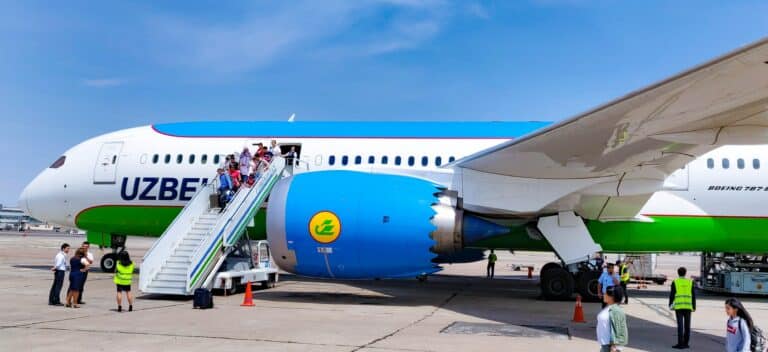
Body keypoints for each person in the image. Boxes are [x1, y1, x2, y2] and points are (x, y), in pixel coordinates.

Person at [670, 266, 696, 349]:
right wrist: (694, 306)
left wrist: (670, 304)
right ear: (685, 273)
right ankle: (686, 343)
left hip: (679, 306)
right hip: (688, 306)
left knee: (680, 326)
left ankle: (680, 344)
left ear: (678, 273)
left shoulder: (675, 282)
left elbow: (672, 295)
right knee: (687, 326)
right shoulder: (690, 282)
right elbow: (693, 295)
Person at [596, 285, 628, 352]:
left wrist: (614, 347)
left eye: (605, 293)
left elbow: (618, 330)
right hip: (605, 344)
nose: (603, 294)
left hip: (610, 346)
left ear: (611, 297)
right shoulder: (609, 307)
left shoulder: (616, 311)